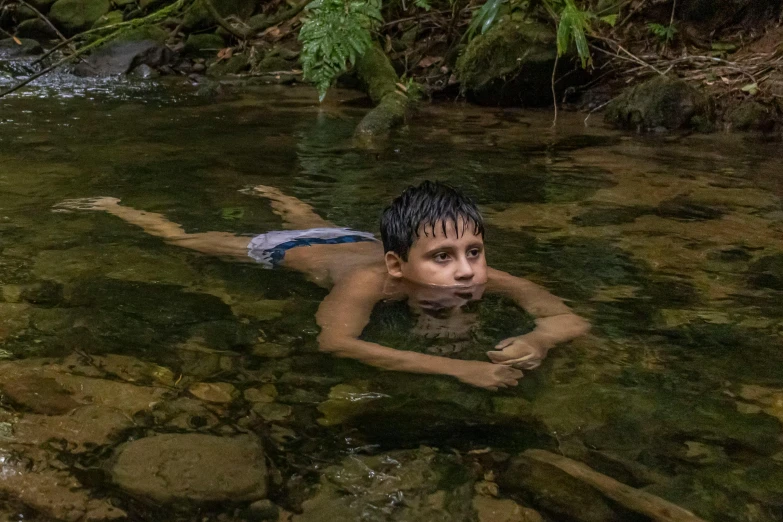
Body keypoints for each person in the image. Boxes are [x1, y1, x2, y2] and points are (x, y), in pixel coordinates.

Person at [55, 181, 589, 390]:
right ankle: (119, 208)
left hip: (347, 235)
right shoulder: (367, 282)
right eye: (443, 257)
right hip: (287, 249)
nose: (467, 271)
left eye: (473, 252)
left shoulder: (484, 276)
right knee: (187, 240)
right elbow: (334, 342)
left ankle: (279, 194)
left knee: (311, 217)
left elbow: (570, 319)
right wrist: (459, 366)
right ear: (398, 266)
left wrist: (539, 340)